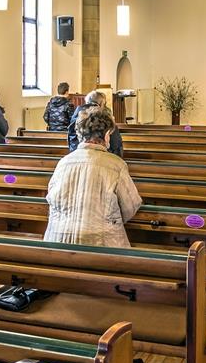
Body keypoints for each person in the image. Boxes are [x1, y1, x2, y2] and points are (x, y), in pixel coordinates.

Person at [45, 107, 142, 247]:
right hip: (102, 244)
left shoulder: (63, 163)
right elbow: (131, 207)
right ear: (107, 134)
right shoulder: (116, 165)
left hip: (57, 243)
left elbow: (51, 201)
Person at [68, 90, 123, 156]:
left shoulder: (76, 116)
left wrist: (74, 154)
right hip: (103, 157)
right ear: (102, 103)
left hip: (78, 154)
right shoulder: (104, 116)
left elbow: (71, 137)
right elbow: (116, 143)